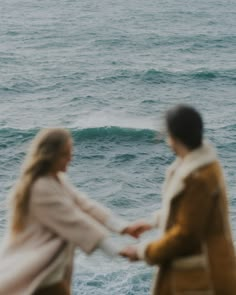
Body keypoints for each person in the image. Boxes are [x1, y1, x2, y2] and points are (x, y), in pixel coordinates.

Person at [0, 128, 145, 295]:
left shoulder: (56, 180)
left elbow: (86, 205)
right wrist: (116, 250)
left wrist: (124, 227)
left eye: (70, 152)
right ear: (50, 155)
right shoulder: (40, 187)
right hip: (39, 270)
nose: (70, 158)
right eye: (65, 154)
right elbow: (76, 222)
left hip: (53, 270)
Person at [121, 105, 236, 295]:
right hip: (197, 273)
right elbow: (189, 211)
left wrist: (142, 252)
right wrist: (152, 222)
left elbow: (186, 235)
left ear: (174, 137)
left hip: (203, 278)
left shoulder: (199, 176)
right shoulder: (196, 165)